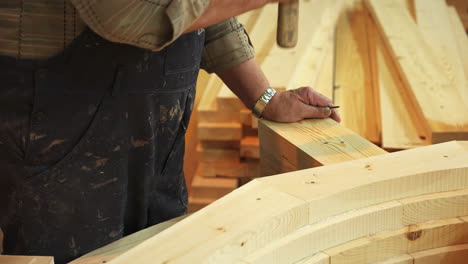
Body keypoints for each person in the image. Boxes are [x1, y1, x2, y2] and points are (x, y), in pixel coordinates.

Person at [0, 0, 340, 263]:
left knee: (160, 249)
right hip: (61, 125)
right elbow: (130, 13)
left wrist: (265, 98)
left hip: (151, 128)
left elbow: (204, 13)